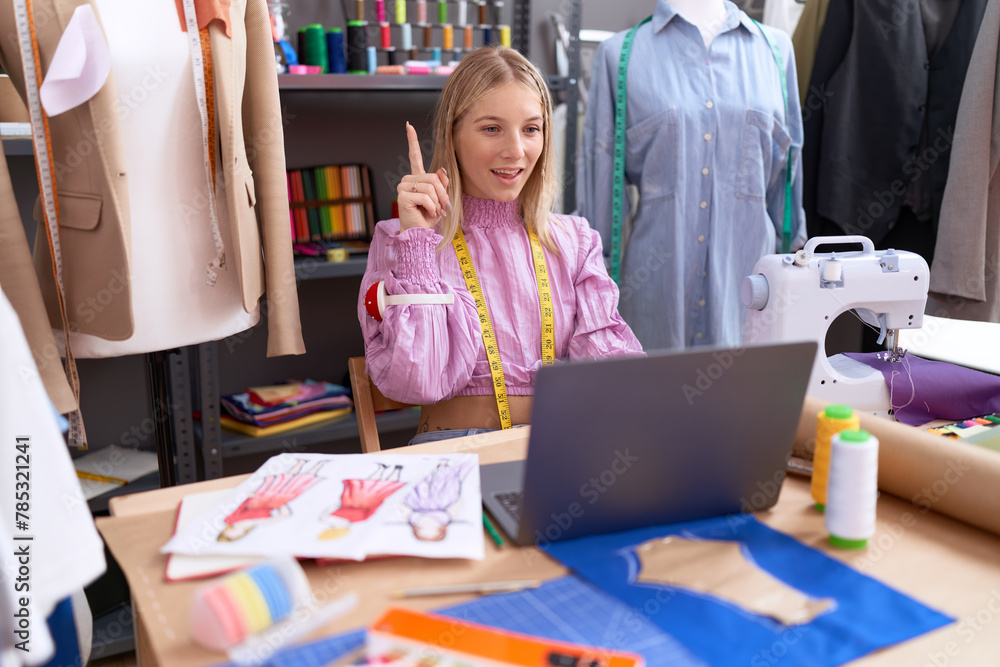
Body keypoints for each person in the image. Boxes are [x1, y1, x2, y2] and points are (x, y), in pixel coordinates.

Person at [359, 46, 642, 444]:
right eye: (492, 128)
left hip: (555, 447)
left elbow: (610, 379)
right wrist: (419, 244)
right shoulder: (404, 241)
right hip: (453, 454)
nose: (516, 151)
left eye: (531, 129)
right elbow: (415, 381)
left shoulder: (575, 242)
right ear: (453, 134)